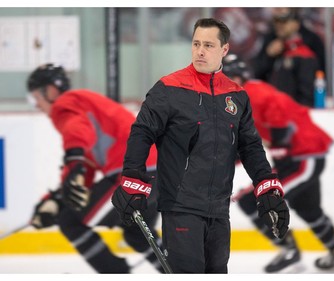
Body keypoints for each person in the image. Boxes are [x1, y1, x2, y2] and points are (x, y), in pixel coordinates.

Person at [111, 17, 290, 274]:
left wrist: (267, 188)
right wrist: (132, 180)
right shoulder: (169, 89)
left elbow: (250, 147)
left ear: (224, 50)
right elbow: (141, 132)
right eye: (196, 44)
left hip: (219, 209)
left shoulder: (236, 95)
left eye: (208, 45)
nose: (200, 51)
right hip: (180, 207)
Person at [26, 63, 164, 273]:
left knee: (70, 221)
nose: (37, 105)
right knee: (137, 234)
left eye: (36, 97)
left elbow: (77, 133)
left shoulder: (64, 104)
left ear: (51, 91)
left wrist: (74, 159)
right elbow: (84, 169)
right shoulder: (84, 102)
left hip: (133, 175)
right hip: (157, 172)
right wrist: (56, 199)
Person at [223, 54, 334, 273]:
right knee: (308, 208)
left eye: (225, 79)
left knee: (252, 200)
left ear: (238, 77)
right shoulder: (246, 94)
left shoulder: (252, 94)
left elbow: (279, 120)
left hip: (303, 158)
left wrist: (277, 151)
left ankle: (288, 247)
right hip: (302, 156)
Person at [252, 8, 323, 107]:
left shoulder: (309, 44)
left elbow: (308, 92)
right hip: (273, 107)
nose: (279, 25)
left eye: (284, 20)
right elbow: (257, 75)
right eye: (276, 21)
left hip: (293, 109)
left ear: (296, 24)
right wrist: (268, 56)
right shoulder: (270, 40)